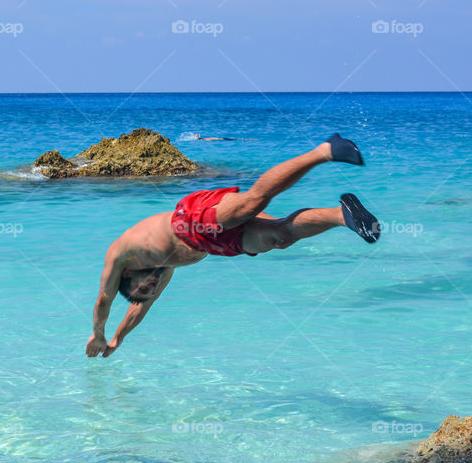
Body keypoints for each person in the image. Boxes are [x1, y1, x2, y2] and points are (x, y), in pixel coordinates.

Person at [86, 133, 380, 358]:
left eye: (145, 287)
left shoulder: (120, 252)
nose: (153, 288)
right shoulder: (163, 272)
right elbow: (139, 309)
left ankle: (325, 151)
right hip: (213, 244)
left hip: (189, 218)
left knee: (252, 203)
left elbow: (103, 301)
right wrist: (116, 340)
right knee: (279, 238)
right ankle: (342, 215)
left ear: (133, 277)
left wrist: (97, 334)